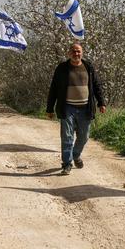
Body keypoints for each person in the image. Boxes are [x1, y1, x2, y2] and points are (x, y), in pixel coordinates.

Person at [46, 43, 106, 175]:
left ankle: (75, 154)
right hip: (67, 108)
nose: (76, 54)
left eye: (78, 51)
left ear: (82, 53)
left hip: (85, 108)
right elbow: (54, 88)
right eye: (73, 51)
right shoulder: (62, 68)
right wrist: (49, 108)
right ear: (69, 53)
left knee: (84, 136)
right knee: (67, 137)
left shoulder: (88, 67)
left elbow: (96, 85)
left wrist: (101, 102)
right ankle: (67, 164)